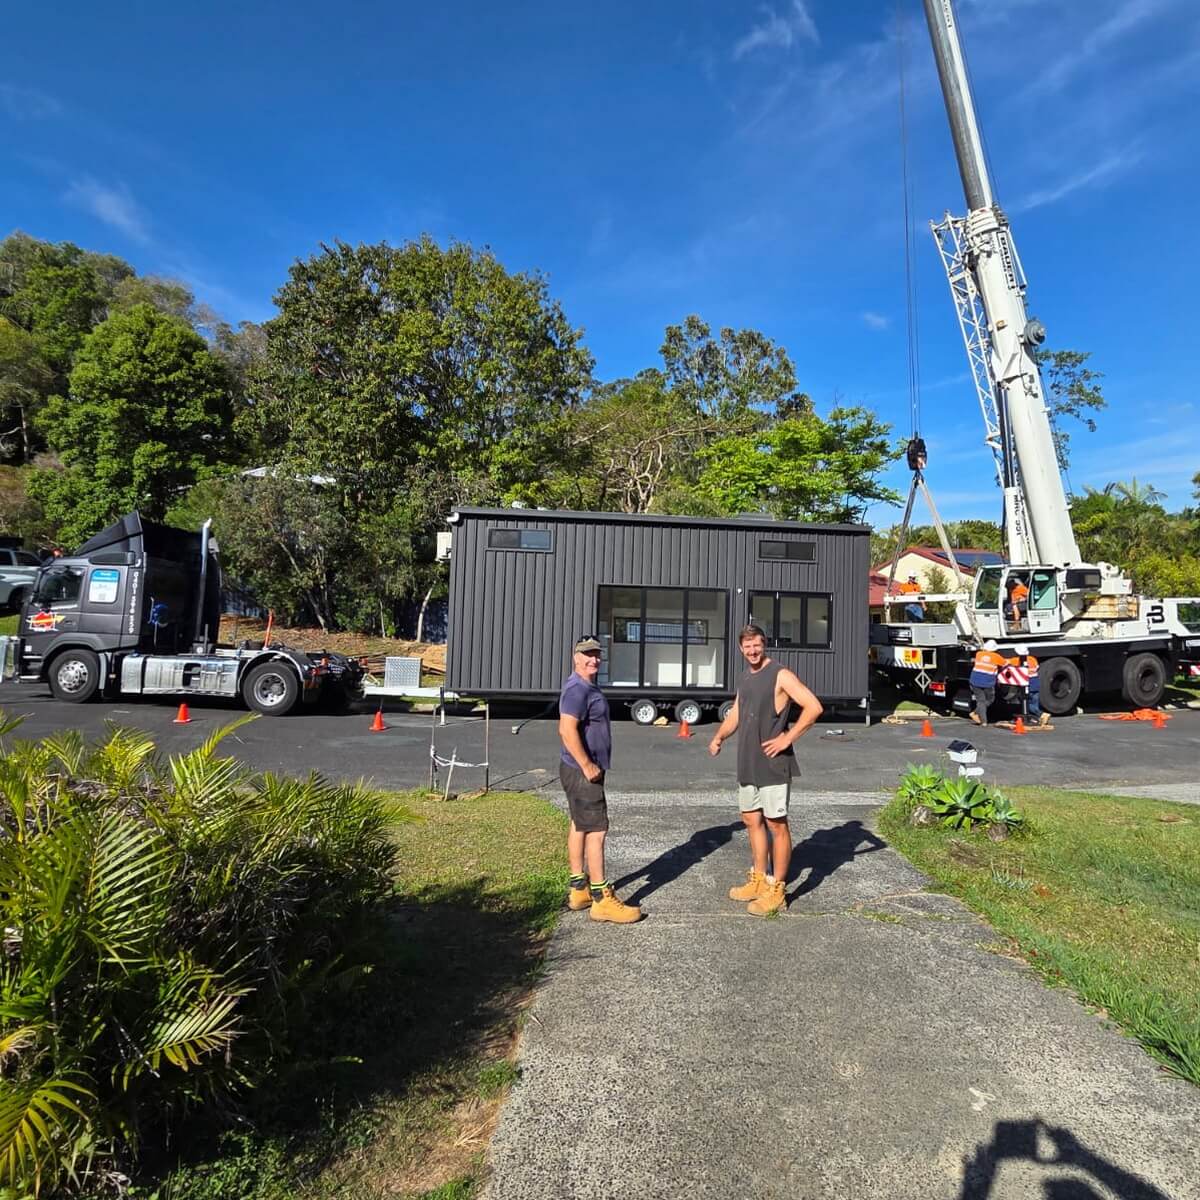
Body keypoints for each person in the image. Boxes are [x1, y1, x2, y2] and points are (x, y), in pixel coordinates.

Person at [707, 624, 823, 916]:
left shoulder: (780, 674)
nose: (752, 651)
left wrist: (787, 737)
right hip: (748, 761)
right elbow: (735, 712)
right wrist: (719, 736)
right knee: (751, 820)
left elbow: (813, 707)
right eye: (747, 647)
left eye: (757, 645)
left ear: (765, 644)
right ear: (740, 648)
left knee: (776, 825)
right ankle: (759, 878)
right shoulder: (746, 676)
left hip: (773, 764)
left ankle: (776, 889)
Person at [559, 636, 642, 924]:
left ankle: (578, 889)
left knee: (580, 825)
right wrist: (587, 764)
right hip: (583, 771)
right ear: (576, 657)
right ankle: (601, 899)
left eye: (596, 654)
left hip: (580, 770)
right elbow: (566, 730)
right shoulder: (577, 689)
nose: (593, 659)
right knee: (597, 830)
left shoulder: (584, 686)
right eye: (587, 655)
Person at [1002, 644, 1049, 726]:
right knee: (1034, 703)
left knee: (1026, 703)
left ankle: (1042, 714)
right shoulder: (1032, 659)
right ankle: (1036, 719)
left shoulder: (1016, 660)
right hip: (1035, 682)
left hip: (1027, 683)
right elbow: (1037, 667)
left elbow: (1005, 663)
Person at [968, 639, 1007, 726]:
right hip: (987, 682)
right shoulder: (996, 656)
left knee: (980, 700)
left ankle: (978, 716)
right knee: (989, 700)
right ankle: (983, 720)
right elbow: (1005, 664)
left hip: (974, 680)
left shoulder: (979, 654)